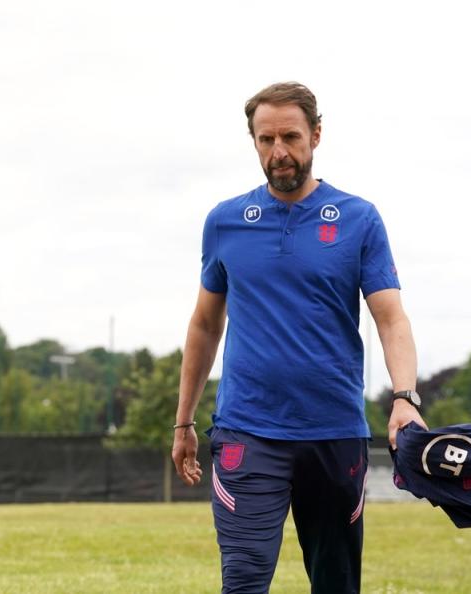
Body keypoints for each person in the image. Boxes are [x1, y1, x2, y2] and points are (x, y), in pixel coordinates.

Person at [171, 81, 426, 594]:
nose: (278, 152)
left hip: (333, 432)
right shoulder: (224, 222)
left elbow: (391, 318)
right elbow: (204, 324)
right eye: (265, 140)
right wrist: (183, 423)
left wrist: (405, 397)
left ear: (316, 134)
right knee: (242, 583)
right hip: (248, 431)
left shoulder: (359, 218)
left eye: (290, 137)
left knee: (336, 585)